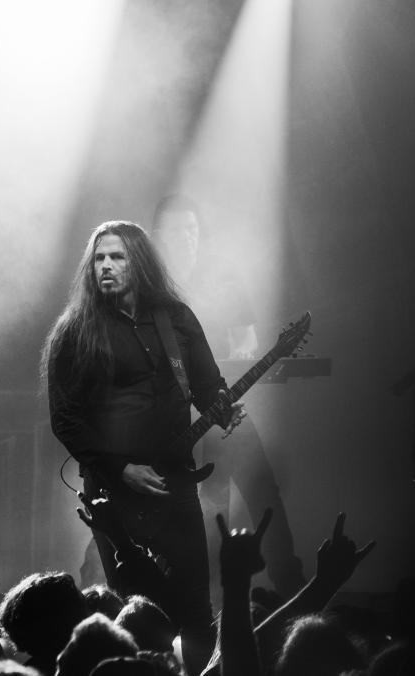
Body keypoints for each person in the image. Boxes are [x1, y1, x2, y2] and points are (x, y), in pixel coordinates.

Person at [43, 220, 242, 671]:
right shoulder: (76, 330)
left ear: (141, 263)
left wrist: (223, 409)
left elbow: (207, 388)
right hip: (113, 492)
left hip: (176, 483)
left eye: (117, 257)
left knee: (195, 608)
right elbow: (65, 418)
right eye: (99, 258)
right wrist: (120, 469)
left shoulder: (177, 320)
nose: (105, 266)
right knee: (131, 612)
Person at [152, 194, 306, 597]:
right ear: (157, 237)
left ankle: (293, 591)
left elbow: (246, 346)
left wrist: (232, 366)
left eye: (191, 230)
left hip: (222, 407)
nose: (185, 238)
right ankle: (198, 598)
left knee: (262, 491)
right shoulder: (150, 290)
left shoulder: (223, 282)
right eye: (175, 231)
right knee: (200, 504)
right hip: (170, 420)